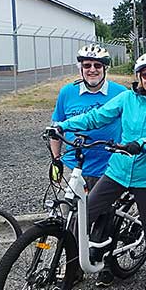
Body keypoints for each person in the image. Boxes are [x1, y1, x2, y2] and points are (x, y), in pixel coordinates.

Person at [55, 52, 146, 290]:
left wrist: (141, 144)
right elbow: (96, 117)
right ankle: (74, 266)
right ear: (139, 77)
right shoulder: (127, 98)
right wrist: (63, 125)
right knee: (85, 215)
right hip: (117, 170)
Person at [50, 44, 127, 190]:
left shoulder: (120, 93)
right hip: (73, 166)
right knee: (67, 209)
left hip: (109, 167)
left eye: (97, 65)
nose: (92, 70)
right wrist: (56, 160)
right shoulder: (67, 92)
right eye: (87, 65)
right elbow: (56, 131)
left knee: (105, 212)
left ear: (105, 68)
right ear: (81, 69)